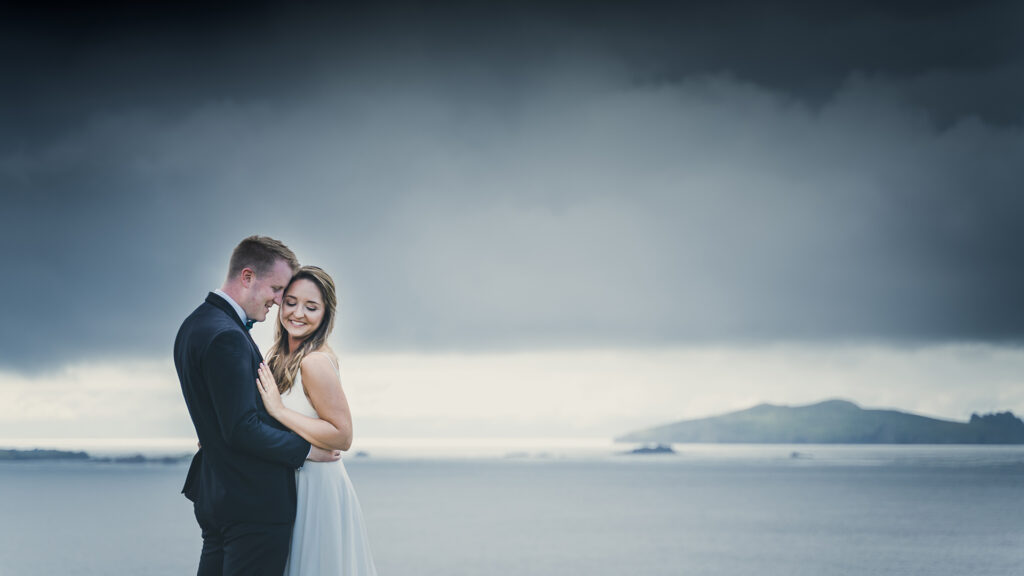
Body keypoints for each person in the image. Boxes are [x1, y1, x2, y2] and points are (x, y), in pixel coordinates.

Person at [175, 236, 342, 576]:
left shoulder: (194, 324)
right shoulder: (227, 336)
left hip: (218, 497)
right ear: (247, 277)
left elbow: (219, 415)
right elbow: (240, 428)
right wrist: (307, 449)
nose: (280, 302)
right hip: (252, 504)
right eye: (278, 289)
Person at [256, 265, 378, 576]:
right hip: (293, 484)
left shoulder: (314, 362)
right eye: (291, 302)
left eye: (311, 307)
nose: (298, 313)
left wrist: (280, 412)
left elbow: (342, 436)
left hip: (318, 489)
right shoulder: (277, 357)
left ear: (326, 314)